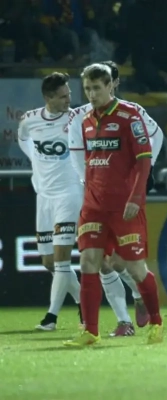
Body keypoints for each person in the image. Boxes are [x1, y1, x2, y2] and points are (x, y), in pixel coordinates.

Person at [64, 63, 163, 346]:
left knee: (135, 268)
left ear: (111, 86)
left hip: (124, 206)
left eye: (97, 88)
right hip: (94, 206)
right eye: (87, 89)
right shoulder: (85, 121)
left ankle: (156, 322)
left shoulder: (130, 116)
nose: (92, 94)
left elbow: (144, 160)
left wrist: (136, 197)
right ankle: (90, 331)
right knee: (88, 262)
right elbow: (90, 163)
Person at [17, 72, 82, 331]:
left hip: (69, 194)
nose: (69, 100)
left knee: (62, 258)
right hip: (44, 196)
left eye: (69, 94)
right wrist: (36, 161)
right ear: (48, 98)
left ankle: (51, 317)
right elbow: (23, 139)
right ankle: (83, 301)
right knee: (49, 262)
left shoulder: (76, 119)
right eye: (63, 96)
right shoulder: (30, 120)